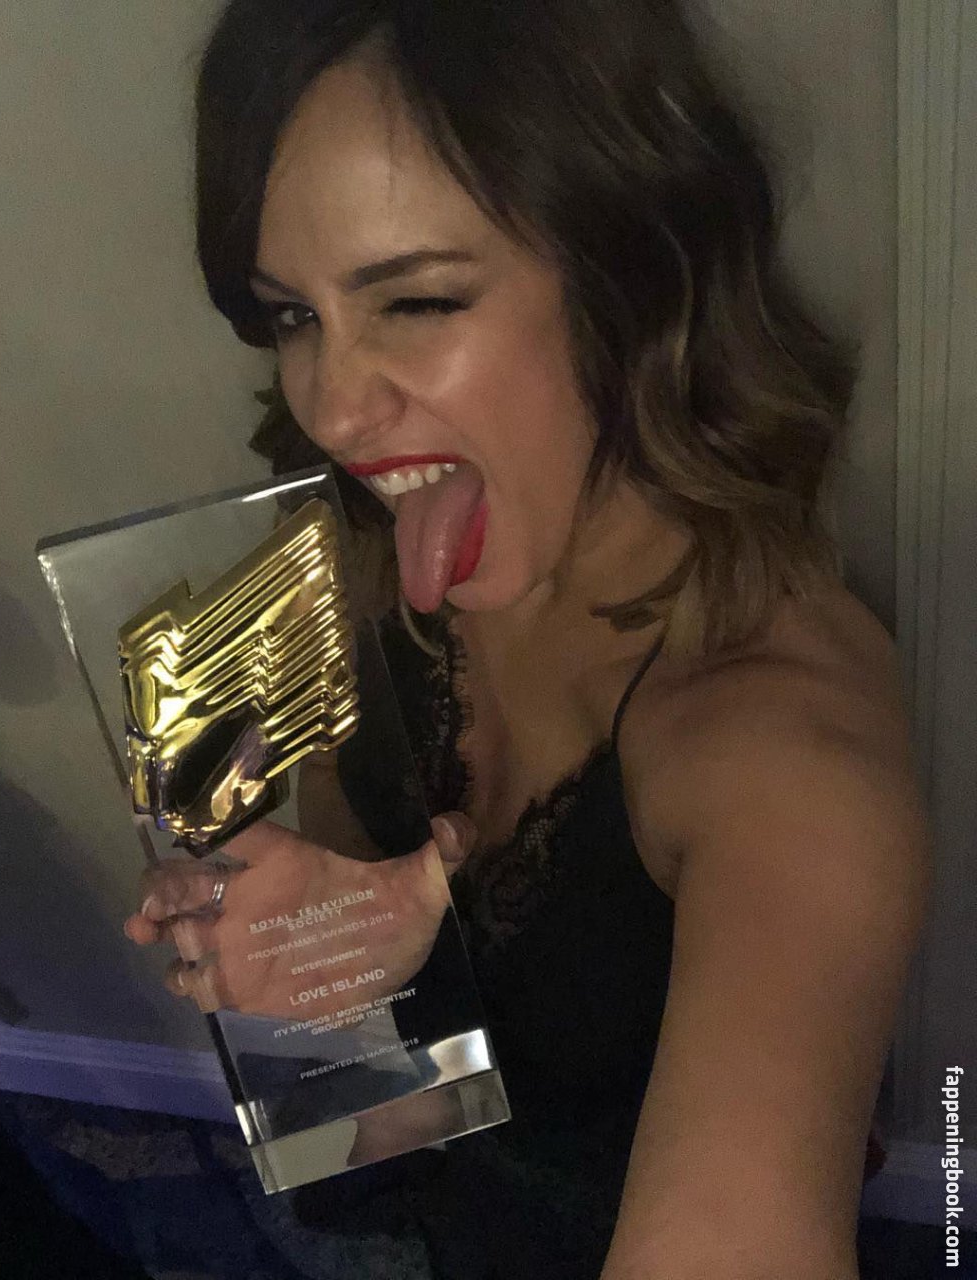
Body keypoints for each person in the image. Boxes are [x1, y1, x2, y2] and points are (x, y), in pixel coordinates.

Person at [124, 1, 931, 1275]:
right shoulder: (348, 549)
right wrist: (331, 984)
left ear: (637, 274)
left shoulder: (784, 759)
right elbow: (373, 1117)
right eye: (292, 316)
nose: (331, 407)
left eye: (417, 300)